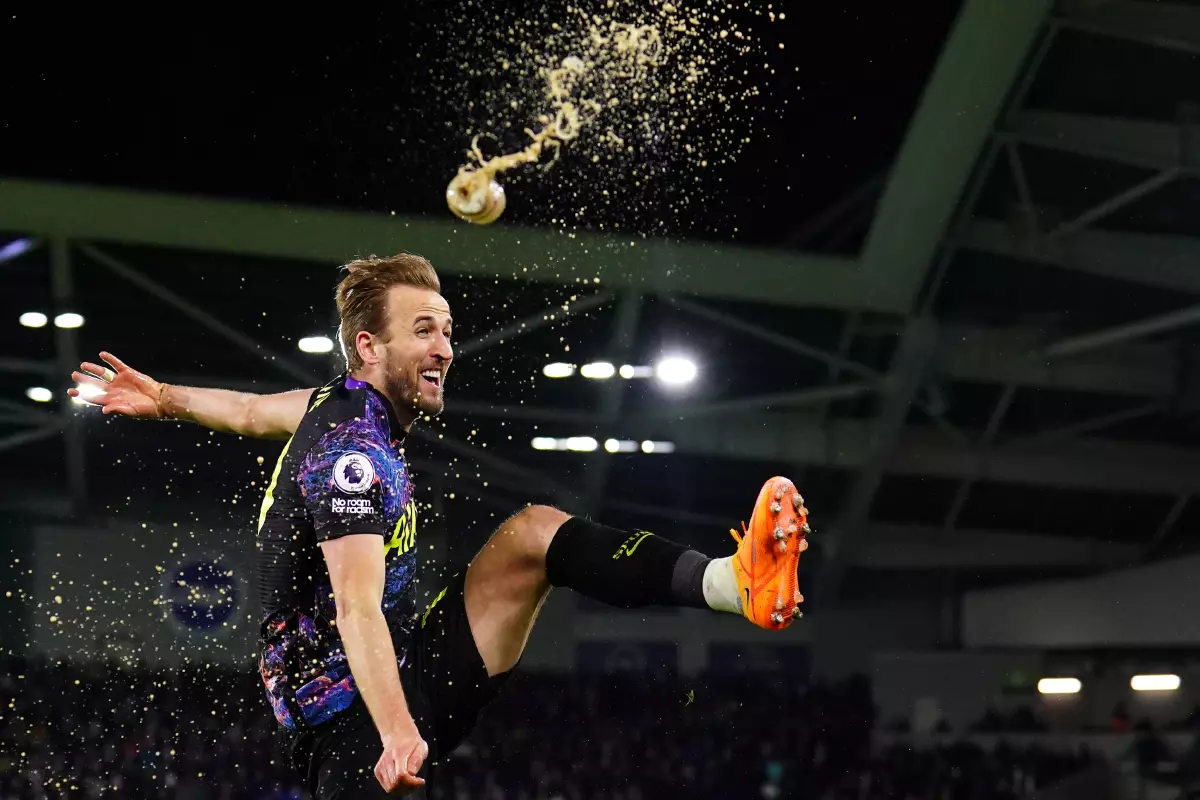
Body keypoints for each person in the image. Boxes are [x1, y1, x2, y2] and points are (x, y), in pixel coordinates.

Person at [69, 253, 810, 798]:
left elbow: (251, 411)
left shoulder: (336, 405)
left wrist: (163, 396)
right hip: (352, 723)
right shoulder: (350, 456)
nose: (446, 349)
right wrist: (396, 733)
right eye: (423, 331)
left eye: (448, 330)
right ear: (369, 347)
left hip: (397, 671)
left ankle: (732, 583)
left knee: (533, 536)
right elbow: (356, 607)